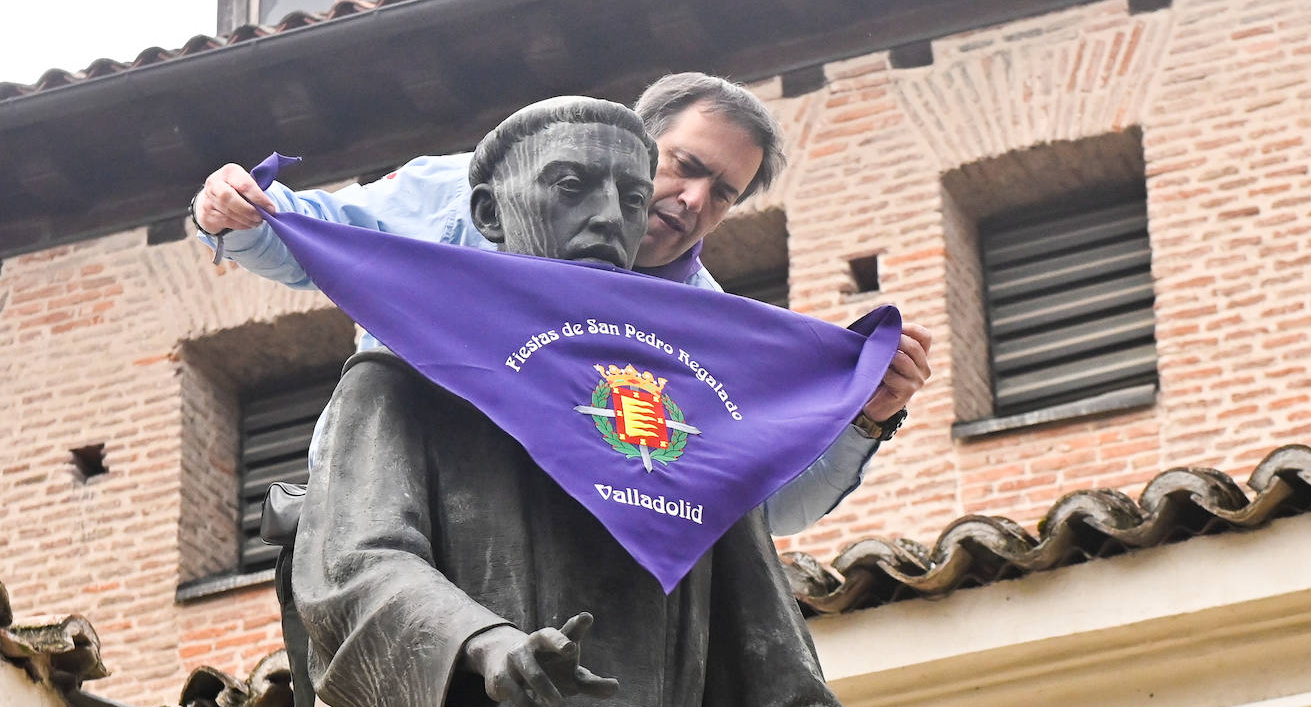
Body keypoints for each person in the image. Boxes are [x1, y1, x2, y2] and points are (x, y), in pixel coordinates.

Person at [293, 95, 1050, 707]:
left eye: (627, 196)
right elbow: (353, 568)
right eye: (572, 186)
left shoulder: (692, 421)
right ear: (488, 211)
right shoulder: (406, 375)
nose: (606, 218)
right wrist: (479, 646)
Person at [192, 72, 932, 536]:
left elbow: (756, 510)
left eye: (725, 193)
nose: (697, 199)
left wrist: (867, 419)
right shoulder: (465, 190)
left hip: (572, 571)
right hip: (388, 520)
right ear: (637, 144)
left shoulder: (710, 330)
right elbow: (316, 239)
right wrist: (235, 209)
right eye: (688, 166)